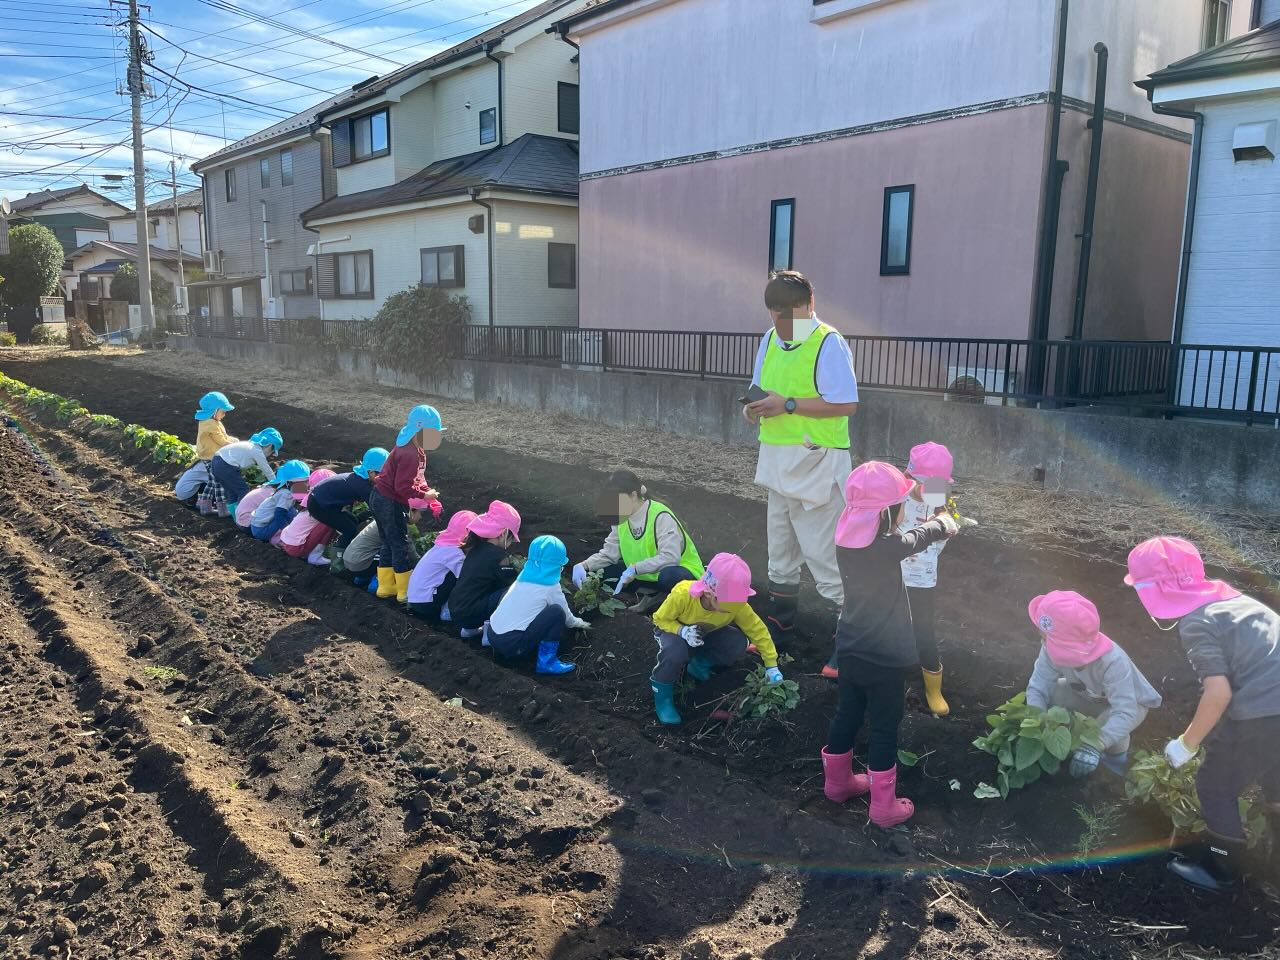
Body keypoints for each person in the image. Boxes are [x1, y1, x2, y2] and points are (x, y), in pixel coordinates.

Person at [1125, 536, 1280, 893]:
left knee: (1215, 783)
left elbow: (1219, 692)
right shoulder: (1238, 602)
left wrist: (1187, 743)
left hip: (1263, 710)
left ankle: (1222, 869)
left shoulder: (1198, 621)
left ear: (1157, 591)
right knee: (1276, 780)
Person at [821, 461, 959, 828]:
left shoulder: (845, 541)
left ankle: (837, 785)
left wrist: (932, 509)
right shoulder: (885, 548)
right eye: (898, 506)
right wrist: (942, 522)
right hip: (883, 656)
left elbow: (906, 537)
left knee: (846, 715)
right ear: (886, 513)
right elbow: (916, 538)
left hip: (850, 646)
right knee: (884, 726)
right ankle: (883, 808)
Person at [742, 271, 858, 675]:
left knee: (826, 557)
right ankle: (780, 624)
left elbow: (844, 404)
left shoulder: (829, 343)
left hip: (817, 464)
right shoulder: (769, 339)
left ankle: (852, 637)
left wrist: (787, 405)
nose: (783, 323)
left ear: (810, 303)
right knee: (781, 551)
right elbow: (761, 391)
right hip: (776, 464)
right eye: (776, 315)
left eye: (791, 314)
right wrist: (753, 409)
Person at [1025, 590, 1162, 777]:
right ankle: (1072, 736)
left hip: (1132, 704)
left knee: (1114, 727)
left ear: (1066, 645)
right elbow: (1038, 686)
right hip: (1090, 695)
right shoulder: (1049, 647)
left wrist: (1095, 744)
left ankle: (1115, 765)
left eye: (1045, 635)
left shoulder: (1112, 662)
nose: (1041, 637)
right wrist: (1037, 721)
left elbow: (1125, 711)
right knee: (1053, 692)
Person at [649, 553, 783, 726]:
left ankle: (698, 665)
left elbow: (758, 630)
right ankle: (663, 696)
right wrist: (682, 631)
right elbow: (660, 619)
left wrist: (771, 665)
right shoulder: (683, 595)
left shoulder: (737, 605)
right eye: (728, 605)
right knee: (674, 652)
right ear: (709, 593)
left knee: (737, 641)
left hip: (706, 636)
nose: (733, 608)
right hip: (673, 633)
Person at [571, 470, 705, 611]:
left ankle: (676, 604)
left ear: (633, 495)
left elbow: (671, 557)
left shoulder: (660, 516)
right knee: (601, 571)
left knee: (669, 576)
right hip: (645, 574)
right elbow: (609, 554)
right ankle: (653, 596)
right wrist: (583, 566)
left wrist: (635, 569)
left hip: (681, 574)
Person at [895, 441, 956, 708]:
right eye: (921, 482)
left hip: (922, 578)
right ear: (909, 476)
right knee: (892, 627)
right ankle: (894, 677)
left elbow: (945, 533)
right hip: (893, 575)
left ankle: (933, 690)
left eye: (935, 484)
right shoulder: (897, 497)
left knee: (923, 630)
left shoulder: (938, 501)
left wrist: (929, 550)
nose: (927, 489)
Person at [371, 405, 443, 603]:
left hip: (379, 496)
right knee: (399, 544)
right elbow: (403, 487)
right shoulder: (410, 453)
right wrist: (425, 495)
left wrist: (424, 490)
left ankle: (385, 586)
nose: (436, 438)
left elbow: (416, 478)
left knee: (387, 541)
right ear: (421, 431)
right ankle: (405, 591)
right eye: (433, 433)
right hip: (389, 501)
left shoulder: (410, 447)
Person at [486, 535, 586, 675]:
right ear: (558, 565)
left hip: (492, 635)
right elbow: (568, 620)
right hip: (512, 644)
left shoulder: (522, 579)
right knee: (556, 612)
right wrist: (581, 623)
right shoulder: (550, 586)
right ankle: (547, 662)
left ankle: (502, 652)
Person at [448, 501, 522, 638]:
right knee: (513, 590)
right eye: (512, 539)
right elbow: (511, 582)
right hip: (471, 614)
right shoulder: (498, 555)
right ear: (504, 533)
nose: (511, 544)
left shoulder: (475, 549)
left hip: (455, 609)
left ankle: (469, 631)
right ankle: (492, 634)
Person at [308, 448, 388, 553]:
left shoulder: (360, 478)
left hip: (322, 501)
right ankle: (338, 559)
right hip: (319, 506)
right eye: (383, 475)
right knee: (349, 529)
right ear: (371, 472)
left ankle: (342, 550)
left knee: (353, 522)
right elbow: (378, 509)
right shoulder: (363, 486)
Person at [407, 509, 478, 623]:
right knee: (463, 576)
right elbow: (468, 577)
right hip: (426, 604)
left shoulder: (442, 545)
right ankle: (449, 610)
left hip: (415, 599)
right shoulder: (454, 552)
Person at [175, 391, 236, 512]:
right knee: (218, 482)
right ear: (215, 410)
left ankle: (205, 506)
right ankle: (223, 509)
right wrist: (237, 445)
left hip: (210, 458)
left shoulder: (212, 422)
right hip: (187, 494)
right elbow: (222, 441)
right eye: (223, 411)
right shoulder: (210, 424)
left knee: (213, 482)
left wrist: (233, 440)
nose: (224, 414)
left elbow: (224, 437)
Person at [210, 427, 283, 517]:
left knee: (231, 491)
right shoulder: (257, 451)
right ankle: (242, 515)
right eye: (272, 452)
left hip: (216, 461)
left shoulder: (248, 445)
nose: (271, 455)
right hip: (226, 465)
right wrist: (277, 485)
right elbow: (268, 471)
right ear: (269, 445)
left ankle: (234, 516)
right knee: (243, 491)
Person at [280, 468, 338, 565]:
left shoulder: (309, 501)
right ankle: (316, 556)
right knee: (331, 522)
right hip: (295, 548)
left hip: (286, 543)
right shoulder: (321, 507)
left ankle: (310, 552)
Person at [249, 459, 310, 542]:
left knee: (292, 511)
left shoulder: (284, 490)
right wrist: (288, 532)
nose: (305, 485)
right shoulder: (287, 494)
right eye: (301, 482)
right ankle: (280, 538)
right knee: (290, 513)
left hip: (256, 527)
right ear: (289, 482)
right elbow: (279, 515)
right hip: (261, 531)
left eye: (306, 481)